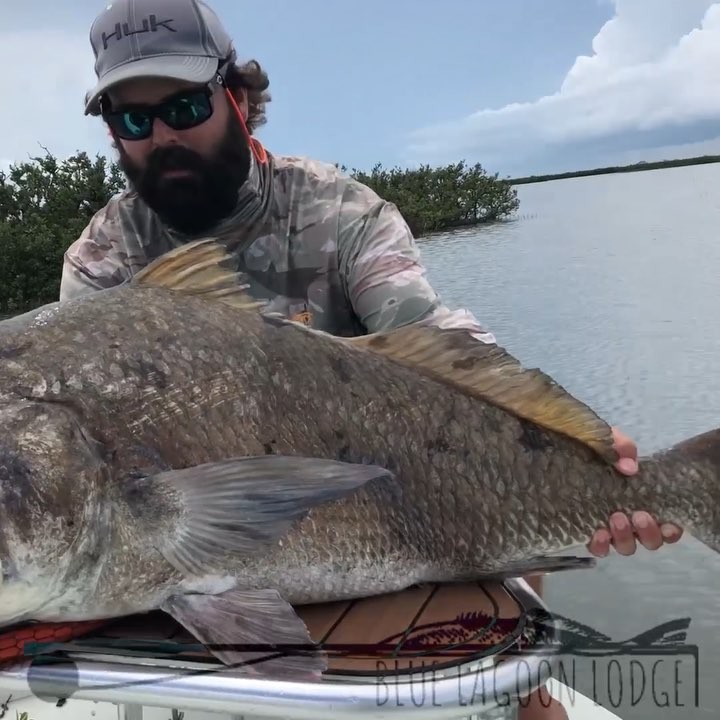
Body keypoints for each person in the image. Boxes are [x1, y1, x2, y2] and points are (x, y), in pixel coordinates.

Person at [63, 0, 682, 717]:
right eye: (131, 120)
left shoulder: (340, 211)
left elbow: (435, 339)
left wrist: (587, 447)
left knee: (500, 474)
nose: (162, 135)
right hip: (210, 555)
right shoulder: (103, 257)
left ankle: (530, 695)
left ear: (235, 96)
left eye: (185, 104)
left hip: (403, 506)